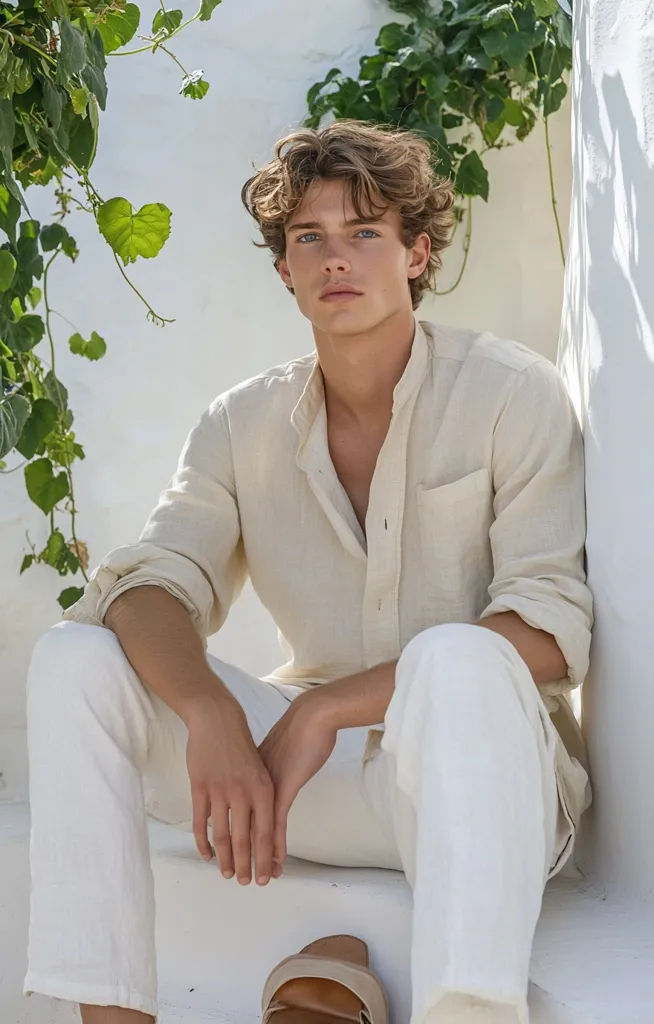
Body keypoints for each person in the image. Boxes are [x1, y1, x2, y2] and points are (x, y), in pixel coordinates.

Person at [23, 120, 593, 1024]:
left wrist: (325, 708)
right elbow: (146, 586)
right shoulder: (240, 422)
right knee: (73, 657)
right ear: (285, 270)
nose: (336, 258)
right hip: (299, 788)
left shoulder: (511, 394)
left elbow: (548, 631)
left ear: (418, 253)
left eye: (365, 232)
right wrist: (209, 710)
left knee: (458, 658)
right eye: (308, 238)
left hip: (477, 791)